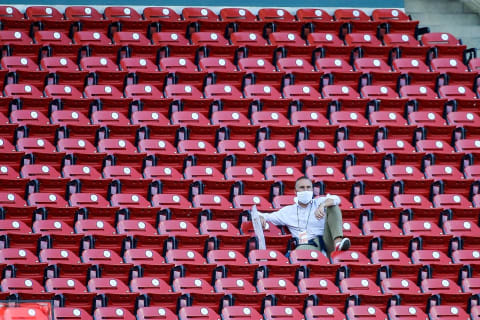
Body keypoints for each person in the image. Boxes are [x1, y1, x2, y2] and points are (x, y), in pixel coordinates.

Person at [258, 176, 350, 256]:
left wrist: (322, 205)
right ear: (295, 191)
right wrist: (261, 217)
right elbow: (266, 216)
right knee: (300, 252)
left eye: (308, 187)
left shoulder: (319, 202)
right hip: (308, 242)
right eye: (302, 187)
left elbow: (336, 199)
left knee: (333, 206)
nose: (306, 190)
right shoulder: (288, 211)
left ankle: (338, 242)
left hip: (328, 240)